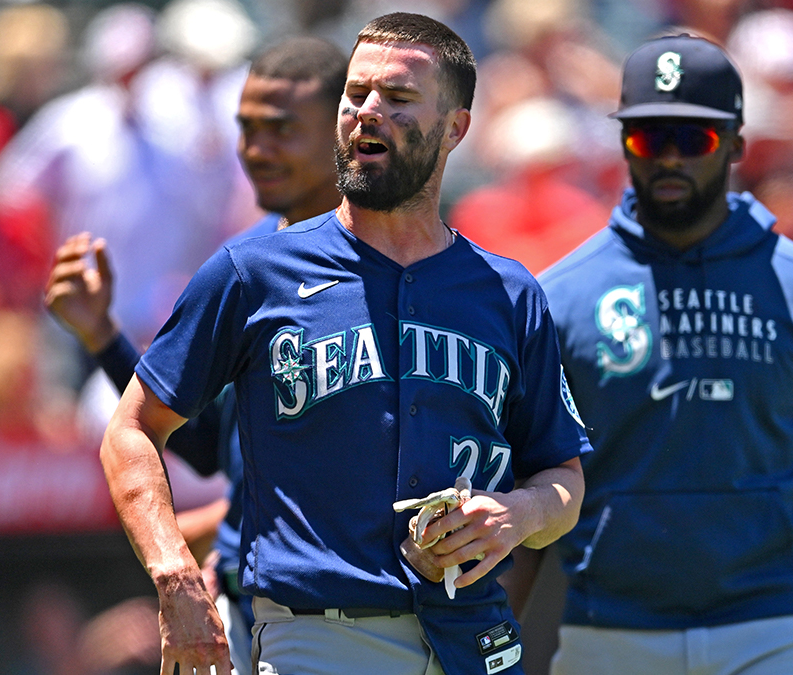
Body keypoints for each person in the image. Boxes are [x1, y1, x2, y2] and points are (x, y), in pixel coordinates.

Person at [97, 12, 589, 675]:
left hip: (475, 641)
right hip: (320, 642)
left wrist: (517, 512)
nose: (368, 112)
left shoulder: (509, 291)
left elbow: (563, 478)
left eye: (398, 98)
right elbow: (131, 429)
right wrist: (175, 577)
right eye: (356, 94)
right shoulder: (255, 272)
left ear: (455, 128)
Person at [536, 34, 793, 675]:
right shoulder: (560, 295)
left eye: (694, 138)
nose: (669, 158)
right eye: (650, 138)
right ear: (624, 143)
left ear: (735, 144)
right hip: (608, 636)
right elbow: (531, 481)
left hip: (771, 634)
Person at [45, 35, 349, 674]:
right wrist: (104, 339)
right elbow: (212, 444)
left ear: (343, 134)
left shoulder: (400, 266)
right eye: (248, 129)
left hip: (362, 627)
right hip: (255, 622)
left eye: (283, 130)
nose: (257, 150)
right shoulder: (245, 265)